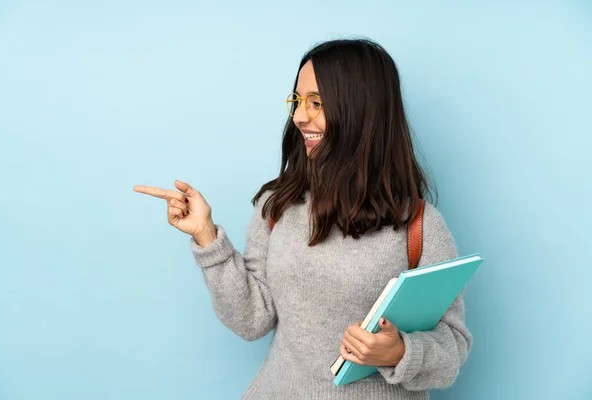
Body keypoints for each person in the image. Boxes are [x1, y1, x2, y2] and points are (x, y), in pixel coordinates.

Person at [134, 38, 472, 400]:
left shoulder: (419, 226)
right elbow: (251, 320)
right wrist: (206, 236)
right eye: (297, 101)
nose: (298, 116)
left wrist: (399, 352)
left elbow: (452, 347)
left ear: (359, 110)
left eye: (316, 103)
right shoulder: (277, 205)